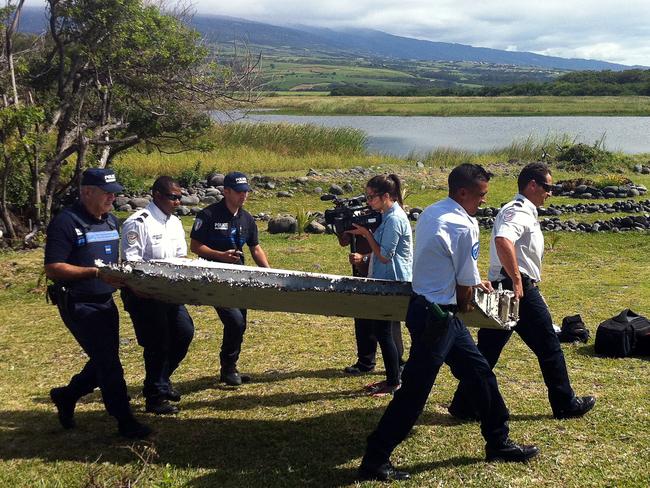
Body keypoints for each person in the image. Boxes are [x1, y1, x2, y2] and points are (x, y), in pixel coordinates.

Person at [358, 163, 539, 482]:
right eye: (481, 195)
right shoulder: (464, 225)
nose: (485, 201)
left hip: (425, 308)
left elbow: (447, 264)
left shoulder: (432, 211)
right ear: (463, 192)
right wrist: (471, 295)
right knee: (414, 390)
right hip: (438, 317)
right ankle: (375, 458)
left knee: (480, 373)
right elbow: (464, 290)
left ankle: (498, 441)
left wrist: (467, 281)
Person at [448, 162, 595, 421]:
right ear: (532, 185)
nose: (550, 192)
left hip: (510, 286)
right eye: (547, 187)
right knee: (549, 346)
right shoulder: (518, 211)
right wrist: (517, 279)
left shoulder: (525, 211)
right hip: (518, 288)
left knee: (487, 351)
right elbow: (503, 240)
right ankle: (565, 403)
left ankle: (464, 404)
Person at [45, 168, 151, 439]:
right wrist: (93, 273)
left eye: (114, 193)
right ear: (86, 192)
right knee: (109, 363)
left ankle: (67, 395)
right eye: (106, 193)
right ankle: (124, 419)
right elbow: (54, 267)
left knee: (103, 360)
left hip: (105, 301)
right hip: (78, 303)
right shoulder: (65, 222)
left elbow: (113, 265)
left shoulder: (111, 222)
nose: (111, 198)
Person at [121, 176, 195, 415]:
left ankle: (161, 381)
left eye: (179, 197)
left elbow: (180, 257)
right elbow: (131, 263)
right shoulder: (138, 223)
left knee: (184, 333)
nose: (177, 202)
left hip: (170, 293)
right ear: (157, 195)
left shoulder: (173, 222)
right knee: (158, 343)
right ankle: (154, 397)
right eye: (173, 197)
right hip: (145, 294)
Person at [190, 171, 270, 386]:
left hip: (239, 278)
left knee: (240, 323)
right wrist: (220, 256)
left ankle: (230, 367)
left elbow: (255, 248)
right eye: (239, 192)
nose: (243, 196)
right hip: (215, 278)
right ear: (226, 192)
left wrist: (270, 272)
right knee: (233, 321)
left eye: (246, 192)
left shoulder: (246, 218)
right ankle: (228, 367)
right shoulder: (208, 215)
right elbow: (195, 246)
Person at [346, 174, 412, 396]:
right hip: (384, 278)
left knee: (384, 331)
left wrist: (366, 234)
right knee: (382, 330)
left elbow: (385, 255)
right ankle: (393, 378)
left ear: (386, 196)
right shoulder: (387, 215)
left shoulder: (394, 218)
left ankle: (394, 381)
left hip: (392, 280)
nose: (368, 202)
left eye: (371, 197)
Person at [338, 232, 405, 377]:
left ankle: (397, 362)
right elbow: (344, 242)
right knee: (362, 316)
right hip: (362, 271)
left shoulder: (387, 217)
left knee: (388, 321)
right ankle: (365, 362)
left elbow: (389, 250)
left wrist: (364, 257)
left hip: (383, 273)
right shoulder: (361, 215)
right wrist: (344, 233)